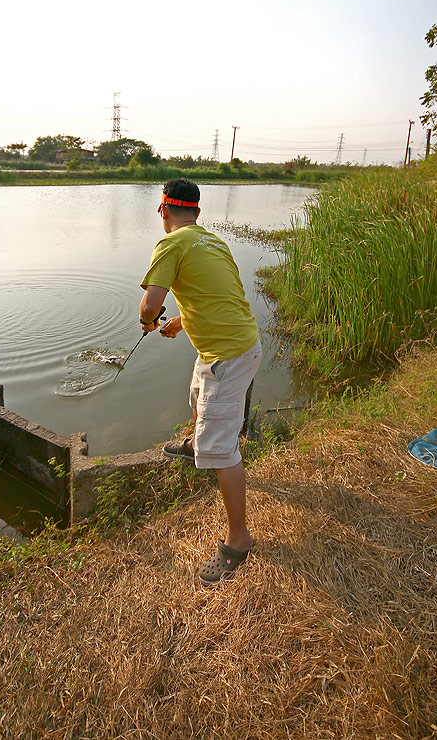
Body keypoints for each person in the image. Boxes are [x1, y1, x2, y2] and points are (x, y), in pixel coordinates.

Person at [139, 178, 262, 586]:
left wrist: (149, 320)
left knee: (223, 451)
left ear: (163, 211)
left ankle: (238, 541)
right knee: (197, 394)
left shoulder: (170, 244)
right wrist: (179, 321)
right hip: (236, 345)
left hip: (227, 356)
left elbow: (149, 303)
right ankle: (195, 443)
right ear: (197, 211)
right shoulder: (213, 242)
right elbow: (217, 297)